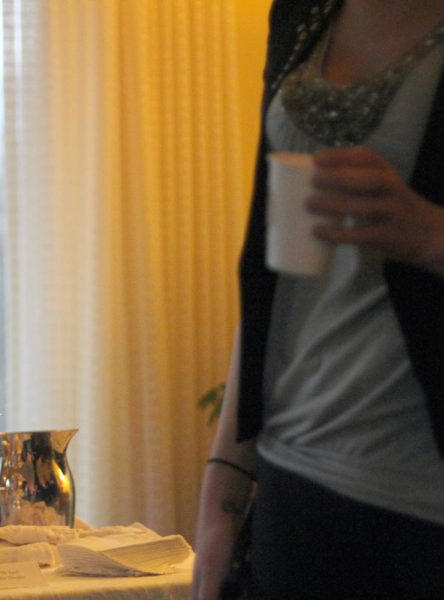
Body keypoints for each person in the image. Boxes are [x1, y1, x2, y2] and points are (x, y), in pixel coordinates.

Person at [193, 1, 444, 598]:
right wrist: (224, 488)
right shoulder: (302, 13)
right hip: (294, 480)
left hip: (427, 501)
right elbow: (269, 282)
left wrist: (433, 235)